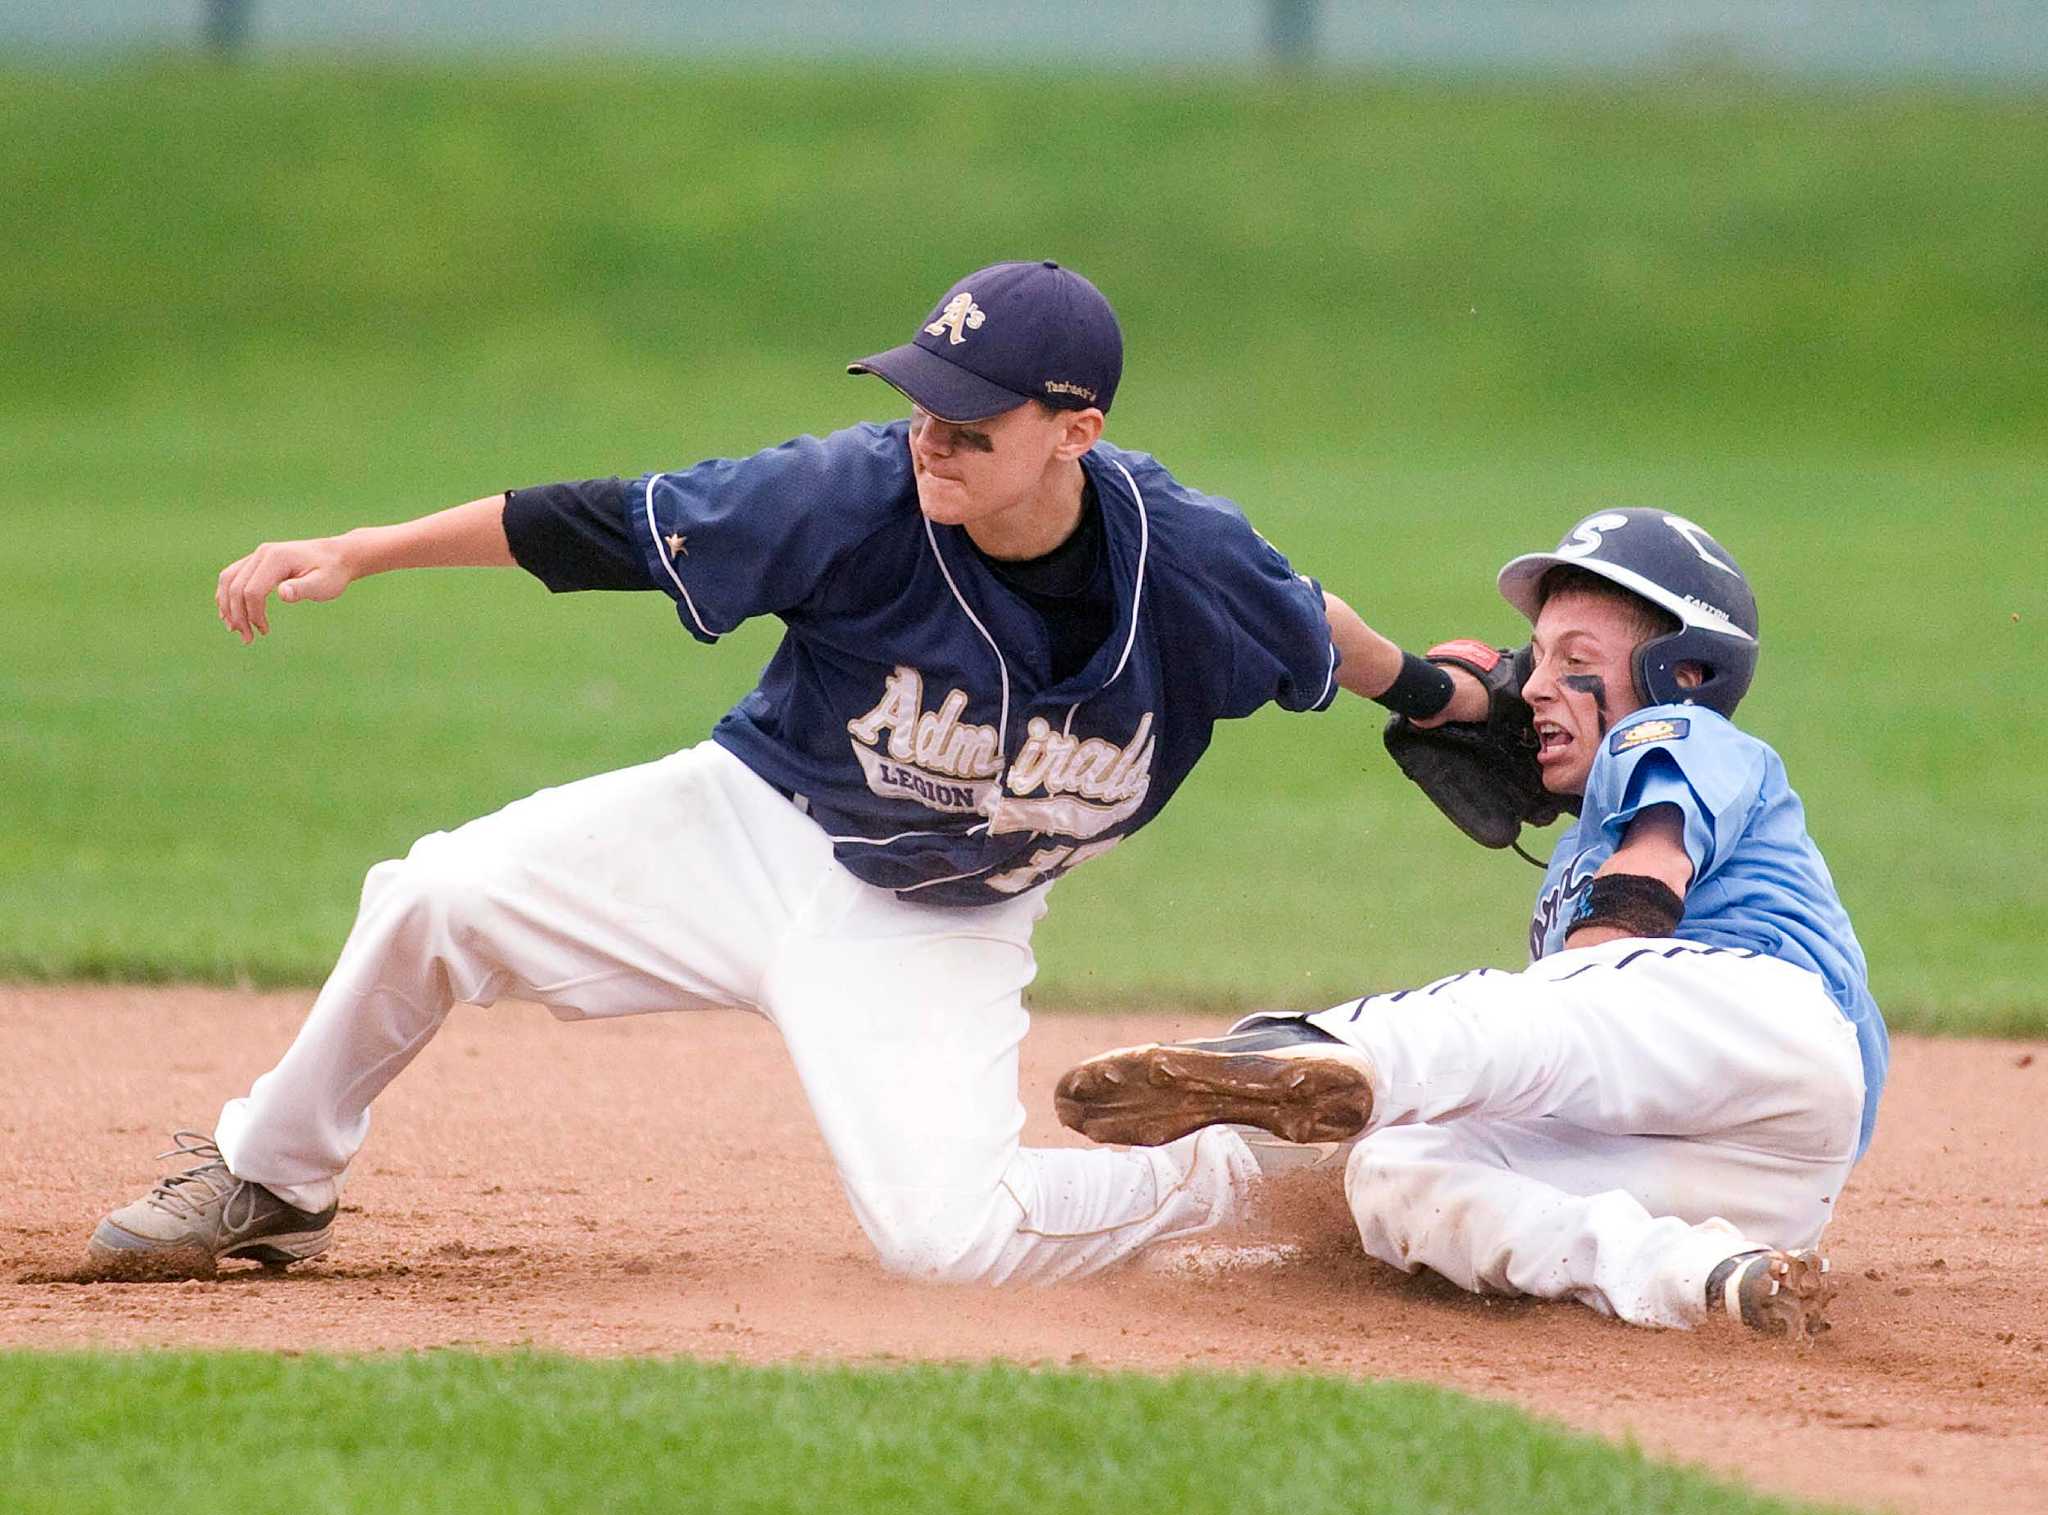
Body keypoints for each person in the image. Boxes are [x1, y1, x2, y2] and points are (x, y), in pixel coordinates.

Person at [89, 259, 1482, 1285]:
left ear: (1078, 430)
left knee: (950, 1246)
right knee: (434, 893)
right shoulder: (850, 494)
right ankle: (271, 1175)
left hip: (938, 920)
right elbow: (603, 527)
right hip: (746, 828)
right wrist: (365, 548)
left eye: (975, 418)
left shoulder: (1189, 560)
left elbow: (1317, 630)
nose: (933, 432)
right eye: (925, 400)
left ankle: (1266, 1168)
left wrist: (1433, 696)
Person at [1055, 509, 1888, 1335]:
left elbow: (1635, 904)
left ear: (1685, 673)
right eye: (1536, 660)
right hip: (1764, 1180)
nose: (1532, 686)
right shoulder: (1578, 854)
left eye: (1576, 661)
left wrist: (1556, 1009)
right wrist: (1401, 678)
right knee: (1398, 1167)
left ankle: (1325, 1050)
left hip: (1759, 1026)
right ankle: (1706, 1281)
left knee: (1522, 1020)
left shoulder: (1692, 738)